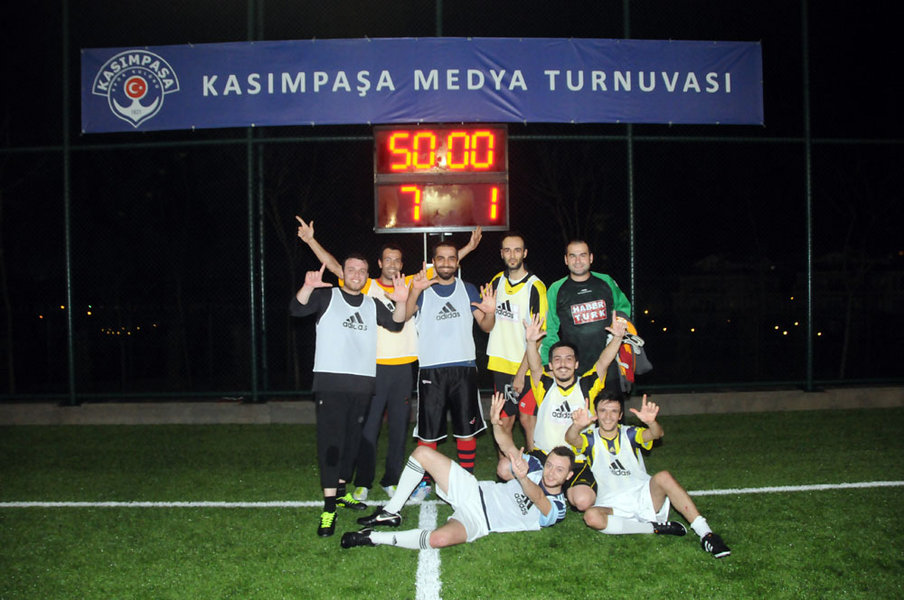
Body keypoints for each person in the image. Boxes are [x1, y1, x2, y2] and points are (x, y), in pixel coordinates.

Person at [294, 217, 482, 502]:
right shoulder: (366, 285)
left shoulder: (411, 284)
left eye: (397, 260)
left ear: (402, 264)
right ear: (380, 263)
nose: (393, 264)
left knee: (398, 430)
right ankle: (363, 482)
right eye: (388, 260)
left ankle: (391, 479)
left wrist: (467, 248)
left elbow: (443, 265)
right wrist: (310, 240)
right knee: (368, 429)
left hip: (404, 369)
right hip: (373, 370)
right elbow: (334, 266)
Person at [340, 391, 574, 550]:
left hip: (480, 521)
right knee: (422, 453)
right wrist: (495, 424)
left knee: (438, 539)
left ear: (568, 476)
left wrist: (522, 478)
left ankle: (372, 537)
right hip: (474, 491)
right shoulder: (535, 467)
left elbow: (539, 498)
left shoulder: (559, 507)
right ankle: (391, 512)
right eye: (550, 465)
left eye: (559, 470)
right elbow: (507, 446)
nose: (550, 472)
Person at [290, 257, 408, 538]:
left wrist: (402, 301)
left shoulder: (372, 303)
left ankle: (342, 491)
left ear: (367, 276)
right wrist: (307, 287)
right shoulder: (326, 297)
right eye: (351, 270)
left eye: (362, 271)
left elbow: (396, 324)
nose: (357, 274)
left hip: (363, 385)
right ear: (342, 273)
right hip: (331, 383)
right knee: (331, 444)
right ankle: (329, 507)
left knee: (353, 442)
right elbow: (296, 309)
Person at [565, 393, 732, 558]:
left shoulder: (630, 433)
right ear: (596, 413)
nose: (608, 416)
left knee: (664, 476)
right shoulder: (590, 439)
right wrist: (577, 426)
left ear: (620, 415)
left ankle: (707, 535)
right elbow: (571, 438)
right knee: (591, 517)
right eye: (603, 410)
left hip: (643, 498)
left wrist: (651, 423)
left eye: (614, 411)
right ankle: (653, 527)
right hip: (612, 506)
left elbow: (656, 434)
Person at [499, 313, 626, 513]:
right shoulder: (544, 385)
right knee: (504, 468)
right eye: (557, 359)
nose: (563, 363)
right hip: (543, 457)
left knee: (583, 501)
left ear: (576, 364)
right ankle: (547, 487)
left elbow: (603, 362)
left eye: (568, 359)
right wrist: (531, 343)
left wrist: (617, 338)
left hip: (577, 459)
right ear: (551, 365)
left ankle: (561, 489)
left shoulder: (588, 385)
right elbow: (535, 366)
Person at [404, 241, 496, 496]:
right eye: (441, 258)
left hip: (464, 367)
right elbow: (405, 315)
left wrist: (490, 312)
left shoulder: (468, 289)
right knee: (428, 433)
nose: (446, 263)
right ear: (433, 262)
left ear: (457, 262)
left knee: (466, 430)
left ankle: (466, 481)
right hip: (431, 370)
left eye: (451, 258)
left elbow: (486, 326)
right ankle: (424, 482)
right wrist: (413, 291)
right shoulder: (422, 289)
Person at [486, 232, 548, 477]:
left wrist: (522, 373)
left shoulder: (536, 287)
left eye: (517, 250)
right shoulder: (496, 282)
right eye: (507, 250)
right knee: (503, 421)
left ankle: (536, 474)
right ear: (502, 253)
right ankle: (507, 475)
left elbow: (538, 335)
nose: (512, 255)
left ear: (525, 253)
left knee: (528, 420)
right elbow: (488, 321)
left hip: (526, 366)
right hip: (501, 364)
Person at [540, 240, 632, 390]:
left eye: (583, 255)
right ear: (566, 260)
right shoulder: (556, 289)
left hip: (609, 365)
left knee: (611, 405)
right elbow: (549, 330)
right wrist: (548, 363)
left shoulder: (606, 281)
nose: (578, 261)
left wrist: (618, 331)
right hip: (574, 370)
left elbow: (623, 309)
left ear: (591, 258)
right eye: (573, 256)